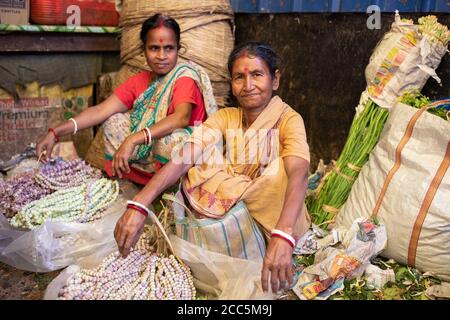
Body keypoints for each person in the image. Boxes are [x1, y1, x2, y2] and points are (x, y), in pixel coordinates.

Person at [114, 42, 311, 293]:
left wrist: (284, 234)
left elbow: (299, 172)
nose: (248, 85)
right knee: (199, 166)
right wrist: (140, 203)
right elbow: (185, 156)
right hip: (234, 210)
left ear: (275, 80)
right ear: (232, 83)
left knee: (279, 174)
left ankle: (269, 242)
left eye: (257, 75)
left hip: (274, 218)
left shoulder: (289, 119)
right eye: (239, 77)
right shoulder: (226, 117)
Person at [36, 13, 217, 185]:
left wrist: (133, 139)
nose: (161, 56)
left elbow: (181, 118)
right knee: (113, 122)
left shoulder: (184, 77)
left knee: (170, 140)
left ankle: (171, 187)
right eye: (154, 48)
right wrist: (56, 132)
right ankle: (134, 179)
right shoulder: (140, 81)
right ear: (143, 50)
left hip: (189, 156)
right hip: (156, 154)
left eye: (168, 48)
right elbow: (100, 111)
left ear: (178, 49)